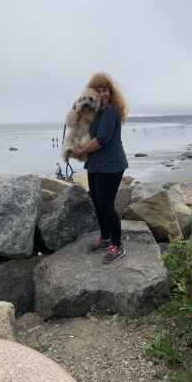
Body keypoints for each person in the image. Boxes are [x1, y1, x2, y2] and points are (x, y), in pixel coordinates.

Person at [71, 72, 128, 264]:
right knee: (96, 203)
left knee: (106, 206)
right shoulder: (97, 111)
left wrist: (80, 152)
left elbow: (102, 139)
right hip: (95, 164)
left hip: (111, 164)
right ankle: (105, 239)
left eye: (106, 90)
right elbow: (80, 126)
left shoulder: (110, 111)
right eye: (98, 91)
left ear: (111, 92)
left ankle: (118, 245)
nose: (103, 94)